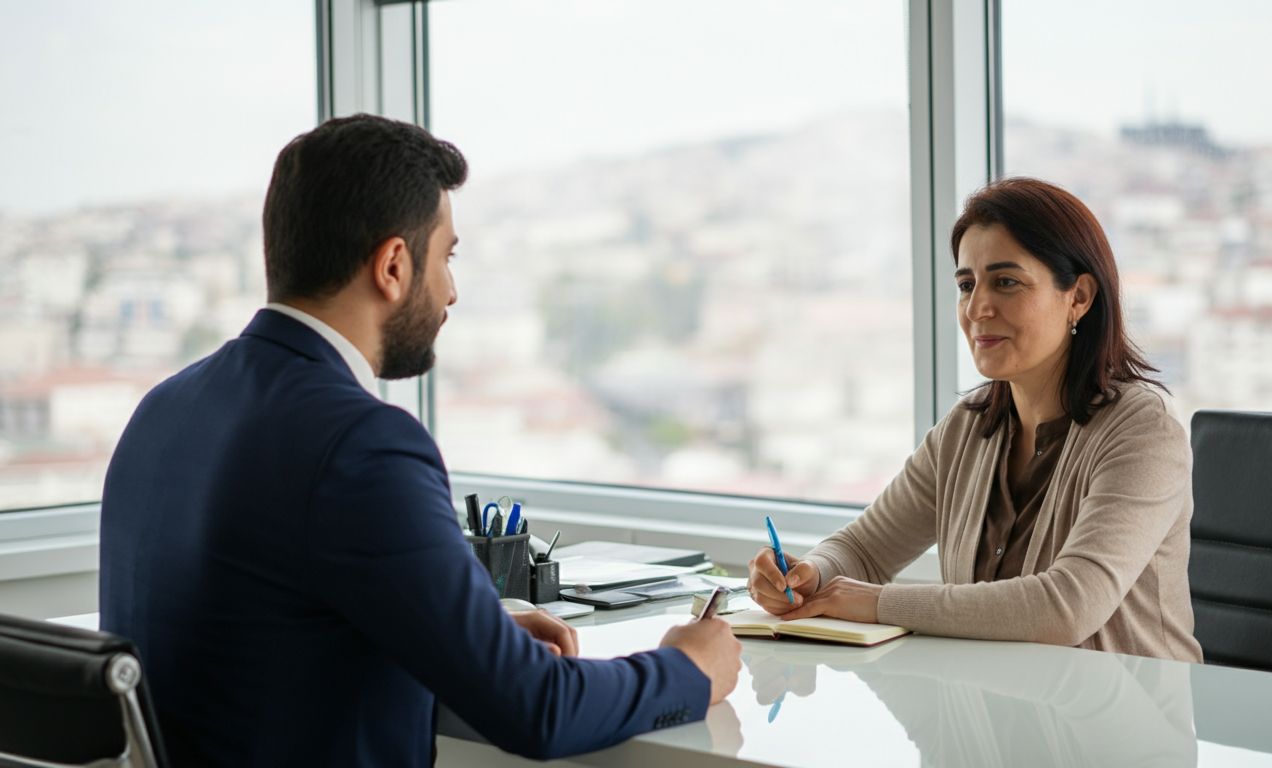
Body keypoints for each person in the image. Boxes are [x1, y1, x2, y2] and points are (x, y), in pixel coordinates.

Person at [99, 114, 740, 767]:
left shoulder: (165, 409)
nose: (452, 292)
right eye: (448, 256)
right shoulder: (360, 444)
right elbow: (538, 710)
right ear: (394, 265)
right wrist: (687, 668)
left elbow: (254, 641)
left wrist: (461, 639)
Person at [749, 177, 1202, 663]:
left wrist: (875, 603)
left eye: (1006, 282)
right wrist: (809, 576)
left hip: (1128, 727)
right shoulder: (966, 428)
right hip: (993, 714)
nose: (977, 308)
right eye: (967, 285)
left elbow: (1069, 606)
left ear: (1079, 297)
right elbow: (864, 549)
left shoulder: (1142, 430)